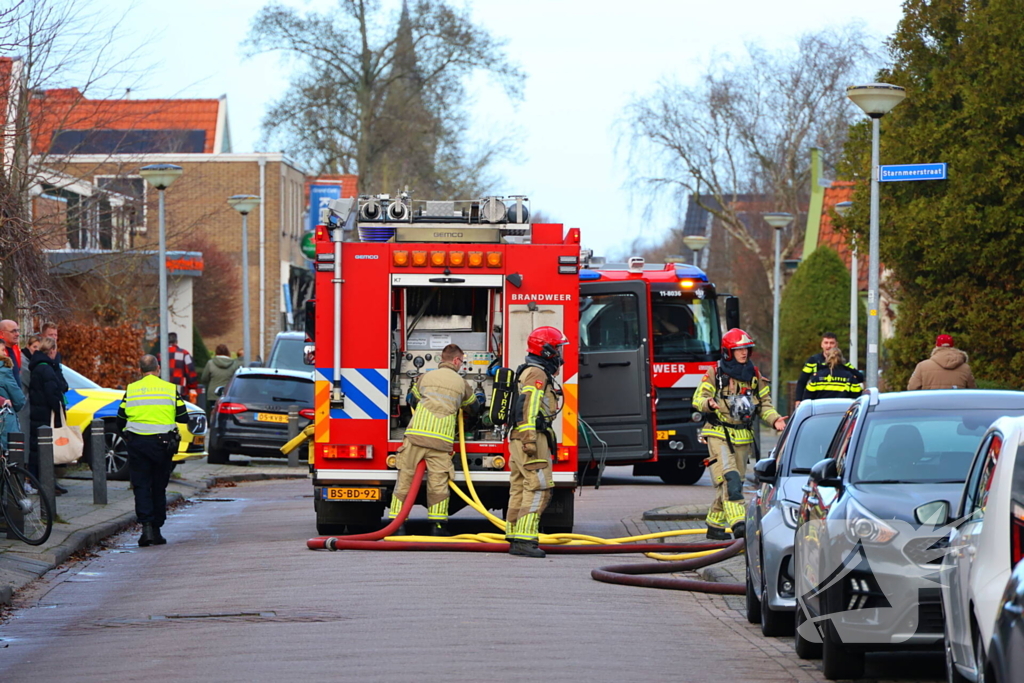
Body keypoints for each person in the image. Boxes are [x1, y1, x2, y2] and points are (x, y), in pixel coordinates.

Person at [693, 328, 786, 540]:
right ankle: (739, 523)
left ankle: (715, 526)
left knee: (730, 484)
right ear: (728, 352)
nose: (744, 353)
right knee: (731, 479)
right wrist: (708, 403)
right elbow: (698, 398)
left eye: (746, 349)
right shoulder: (714, 373)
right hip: (718, 433)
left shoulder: (754, 376)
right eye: (738, 349)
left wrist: (775, 419)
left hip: (742, 437)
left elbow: (764, 405)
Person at [387, 344, 483, 536]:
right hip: (441, 440)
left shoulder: (425, 377)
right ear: (456, 360)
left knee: (405, 479)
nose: (461, 365)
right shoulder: (461, 383)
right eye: (462, 362)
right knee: (438, 484)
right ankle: (438, 526)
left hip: (416, 436)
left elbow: (411, 400)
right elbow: (474, 408)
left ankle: (397, 525)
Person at [505, 326, 569, 558]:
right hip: (531, 437)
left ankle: (514, 535)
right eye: (558, 347)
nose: (561, 353)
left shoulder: (532, 370)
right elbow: (528, 405)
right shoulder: (537, 373)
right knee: (539, 486)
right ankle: (525, 539)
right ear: (548, 350)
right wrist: (530, 438)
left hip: (519, 437)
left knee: (521, 487)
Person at [115, 354, 189, 547]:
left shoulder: (131, 390)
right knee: (158, 486)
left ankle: (146, 528)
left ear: (140, 370)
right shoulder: (170, 389)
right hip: (163, 445)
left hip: (137, 444)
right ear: (158, 369)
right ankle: (156, 529)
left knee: (140, 486)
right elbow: (183, 417)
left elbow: (120, 419)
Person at [28, 337, 69, 494]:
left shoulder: (38, 366)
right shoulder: (46, 369)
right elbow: (54, 392)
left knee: (37, 448)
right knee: (45, 450)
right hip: (46, 414)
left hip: (38, 413)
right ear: (52, 351)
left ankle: (41, 481)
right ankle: (45, 484)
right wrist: (59, 411)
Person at [794, 332, 863, 408]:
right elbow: (802, 381)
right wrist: (798, 400)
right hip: (818, 403)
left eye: (831, 343)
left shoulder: (843, 362)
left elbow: (860, 377)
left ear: (836, 345)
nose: (828, 346)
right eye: (826, 343)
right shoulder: (813, 361)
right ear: (821, 344)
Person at [907, 334, 977, 390]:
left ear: (936, 346)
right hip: (956, 406)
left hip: (929, 405)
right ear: (953, 346)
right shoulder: (965, 368)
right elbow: (972, 390)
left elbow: (912, 388)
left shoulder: (922, 366)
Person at [0, 337, 26, 449]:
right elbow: (19, 399)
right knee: (10, 453)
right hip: (4, 417)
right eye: (1, 350)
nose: (4, 353)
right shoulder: (3, 371)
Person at [200, 344, 240, 416]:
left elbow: (204, 378)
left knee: (213, 411)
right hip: (228, 393)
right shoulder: (234, 363)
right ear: (228, 352)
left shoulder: (210, 363)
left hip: (213, 393)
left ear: (216, 352)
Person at [166, 332, 198, 399]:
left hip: (164, 391)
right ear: (176, 342)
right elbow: (191, 371)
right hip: (179, 390)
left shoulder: (160, 355)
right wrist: (192, 387)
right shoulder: (184, 354)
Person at [0, 319, 23, 385]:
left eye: (17, 330)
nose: (17, 334)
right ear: (2, 333)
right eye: (13, 331)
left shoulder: (16, 349)